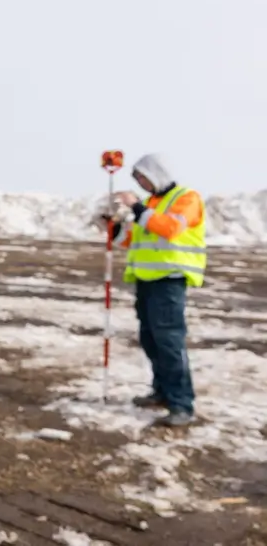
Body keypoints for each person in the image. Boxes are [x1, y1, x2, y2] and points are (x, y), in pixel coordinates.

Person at [110, 153, 206, 428]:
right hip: (146, 280)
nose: (141, 184)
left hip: (169, 280)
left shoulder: (187, 198)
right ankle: (162, 392)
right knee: (150, 339)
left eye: (142, 178)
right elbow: (132, 240)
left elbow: (171, 229)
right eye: (138, 180)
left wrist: (137, 207)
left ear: (156, 174)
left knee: (169, 341)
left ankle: (181, 404)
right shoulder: (152, 204)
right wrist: (112, 226)